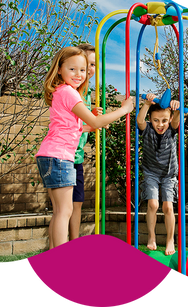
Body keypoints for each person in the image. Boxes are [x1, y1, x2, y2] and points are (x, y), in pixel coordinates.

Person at [36, 46, 134, 249]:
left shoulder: (60, 92)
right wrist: (123, 110)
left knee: (59, 211)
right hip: (61, 157)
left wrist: (94, 124)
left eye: (82, 70)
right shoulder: (70, 93)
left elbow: (76, 126)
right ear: (60, 69)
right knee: (65, 212)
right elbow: (95, 123)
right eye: (72, 69)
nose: (79, 74)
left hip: (49, 155)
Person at [137, 93, 180, 256]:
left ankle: (170, 239)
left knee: (168, 207)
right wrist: (147, 103)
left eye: (164, 120)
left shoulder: (171, 129)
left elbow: (176, 120)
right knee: (153, 205)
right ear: (151, 119)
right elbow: (140, 121)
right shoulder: (146, 129)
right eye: (156, 120)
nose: (160, 124)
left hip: (169, 174)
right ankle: (152, 236)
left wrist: (176, 109)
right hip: (151, 172)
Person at [68, 44, 99, 241]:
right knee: (65, 206)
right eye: (86, 63)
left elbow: (85, 123)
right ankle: (62, 247)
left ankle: (74, 242)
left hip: (77, 156)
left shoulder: (87, 92)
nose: (89, 69)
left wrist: (93, 117)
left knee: (77, 202)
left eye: (93, 64)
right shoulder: (72, 90)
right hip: (65, 155)